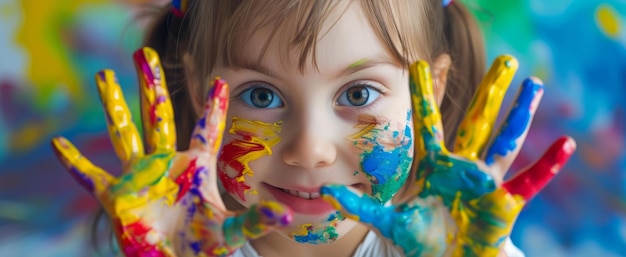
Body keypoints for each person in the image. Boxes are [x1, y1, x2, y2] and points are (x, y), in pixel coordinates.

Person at [51, 0, 576, 256]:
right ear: (195, 89)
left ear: (429, 93)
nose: (310, 149)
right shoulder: (169, 241)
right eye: (261, 96)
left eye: (358, 94)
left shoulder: (454, 247)